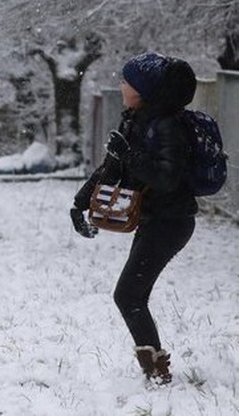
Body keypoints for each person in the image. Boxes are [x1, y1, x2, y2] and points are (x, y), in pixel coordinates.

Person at [70, 52, 198, 384]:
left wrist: (130, 154)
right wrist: (79, 203)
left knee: (127, 295)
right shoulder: (136, 119)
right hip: (153, 220)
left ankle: (157, 372)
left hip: (172, 222)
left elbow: (167, 178)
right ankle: (155, 368)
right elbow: (111, 167)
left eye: (126, 81)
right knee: (132, 296)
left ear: (143, 90)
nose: (121, 84)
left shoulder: (166, 126)